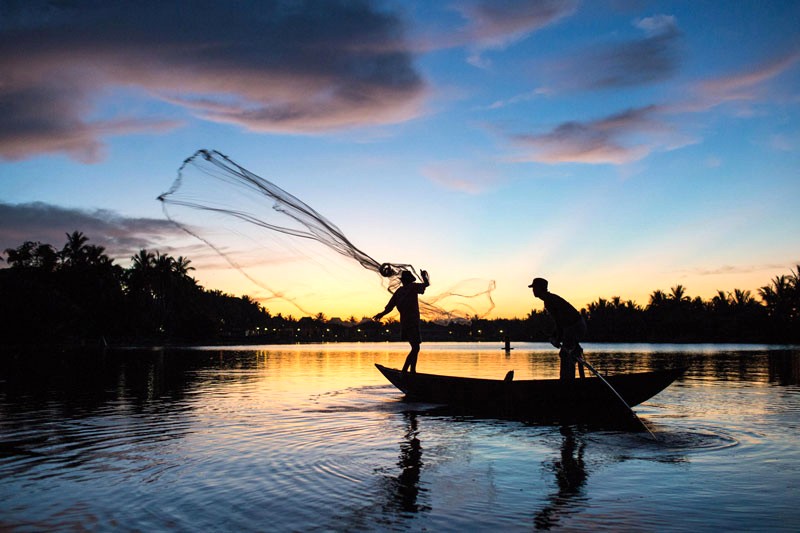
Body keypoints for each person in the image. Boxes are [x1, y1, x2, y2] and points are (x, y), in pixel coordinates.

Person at [529, 277, 587, 380]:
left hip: (575, 326)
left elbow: (559, 321)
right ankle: (572, 379)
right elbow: (559, 322)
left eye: (534, 288)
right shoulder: (550, 299)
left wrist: (558, 338)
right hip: (574, 326)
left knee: (565, 354)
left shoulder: (549, 301)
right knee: (571, 353)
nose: (533, 290)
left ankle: (566, 382)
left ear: (540, 288)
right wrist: (555, 336)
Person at [374, 269, 430, 373]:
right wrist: (424, 277)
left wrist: (381, 314)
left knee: (415, 347)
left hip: (405, 323)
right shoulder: (412, 287)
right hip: (412, 322)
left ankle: (412, 371)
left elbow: (389, 308)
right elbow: (426, 284)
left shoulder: (399, 292)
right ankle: (406, 371)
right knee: (416, 348)